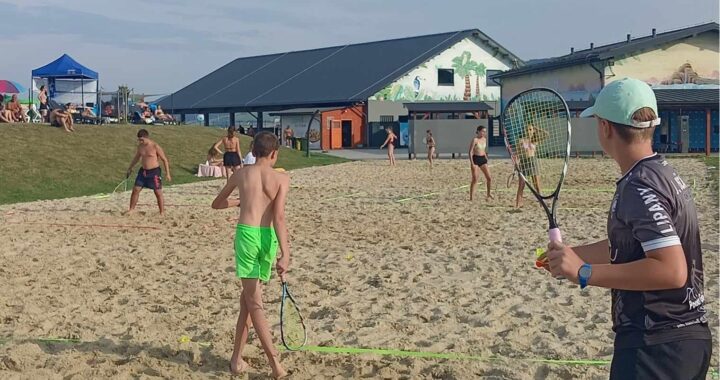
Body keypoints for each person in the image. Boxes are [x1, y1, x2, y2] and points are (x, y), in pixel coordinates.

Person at [542, 78, 711, 380]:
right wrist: (570, 256)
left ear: (605, 128)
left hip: (656, 346)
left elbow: (672, 270)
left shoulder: (638, 186)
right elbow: (631, 245)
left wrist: (584, 272)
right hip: (688, 339)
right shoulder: (662, 172)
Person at [211, 132, 290, 378]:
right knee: (250, 300)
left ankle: (266, 363)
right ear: (274, 154)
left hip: (247, 235)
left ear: (253, 152)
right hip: (268, 237)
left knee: (252, 301)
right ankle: (255, 362)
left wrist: (240, 202)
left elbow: (217, 203)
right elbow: (278, 218)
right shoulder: (282, 179)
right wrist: (285, 254)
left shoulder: (240, 174)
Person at [126, 129, 172, 215]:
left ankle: (162, 211)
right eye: (139, 140)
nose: (140, 141)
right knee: (136, 189)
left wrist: (168, 173)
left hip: (154, 172)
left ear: (146, 137)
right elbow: (136, 158)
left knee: (158, 192)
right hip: (143, 171)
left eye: (142, 139)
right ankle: (131, 209)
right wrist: (130, 167)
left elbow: (164, 160)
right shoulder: (140, 147)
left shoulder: (155, 146)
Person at [514, 123, 547, 208]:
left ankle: (541, 203)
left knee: (537, 184)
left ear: (533, 131)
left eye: (530, 129)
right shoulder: (521, 141)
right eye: (527, 129)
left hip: (533, 161)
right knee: (521, 185)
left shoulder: (535, 141)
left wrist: (536, 128)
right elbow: (517, 154)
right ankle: (518, 204)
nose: (528, 131)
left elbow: (546, 134)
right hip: (523, 162)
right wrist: (516, 164)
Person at [468, 126, 493, 201]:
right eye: (482, 131)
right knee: (475, 179)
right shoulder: (475, 140)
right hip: (475, 159)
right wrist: (472, 162)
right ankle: (471, 197)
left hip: (483, 159)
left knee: (489, 178)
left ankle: (488, 194)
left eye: (485, 131)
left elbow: (483, 150)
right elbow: (470, 152)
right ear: (478, 131)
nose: (484, 133)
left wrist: (486, 157)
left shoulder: (484, 139)